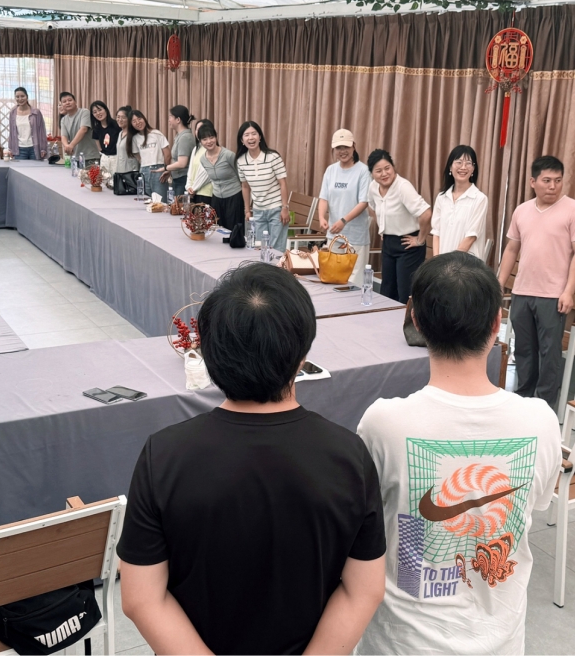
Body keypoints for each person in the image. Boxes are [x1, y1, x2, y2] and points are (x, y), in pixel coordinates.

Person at [118, 263, 386, 655]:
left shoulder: (164, 454)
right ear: (302, 353)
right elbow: (364, 590)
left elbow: (142, 598)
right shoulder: (348, 456)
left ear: (209, 354)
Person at [356, 252, 561, 655]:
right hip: (500, 642)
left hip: (401, 644)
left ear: (416, 321)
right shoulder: (541, 421)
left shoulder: (383, 422)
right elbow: (534, 504)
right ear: (497, 323)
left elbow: (368, 522)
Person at [495, 155, 575, 407]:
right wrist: (499, 282)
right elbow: (511, 249)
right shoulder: (522, 211)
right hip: (522, 291)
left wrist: (568, 291)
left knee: (549, 353)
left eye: (558, 180)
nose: (552, 186)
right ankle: (524, 398)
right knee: (523, 349)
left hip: (553, 295)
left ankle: (545, 406)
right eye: (546, 181)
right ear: (533, 182)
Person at [367, 150, 431, 304]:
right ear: (372, 174)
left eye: (387, 168)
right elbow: (371, 207)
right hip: (388, 242)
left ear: (393, 167)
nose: (384, 174)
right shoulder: (373, 187)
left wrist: (420, 240)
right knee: (387, 292)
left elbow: (426, 214)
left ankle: (407, 320)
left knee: (405, 295)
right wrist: (382, 227)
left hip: (408, 245)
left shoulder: (403, 187)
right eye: (378, 171)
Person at [317, 129, 371, 282]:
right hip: (334, 235)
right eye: (338, 148)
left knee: (354, 281)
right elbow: (323, 198)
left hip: (356, 236)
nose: (343, 151)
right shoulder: (331, 170)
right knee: (333, 277)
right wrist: (321, 217)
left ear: (354, 146)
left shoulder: (363, 171)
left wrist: (344, 220)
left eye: (346, 147)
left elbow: (364, 202)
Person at [236, 120, 289, 252]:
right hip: (258, 211)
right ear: (242, 140)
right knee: (260, 248)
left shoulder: (273, 157)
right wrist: (247, 210)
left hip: (276, 209)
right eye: (246, 135)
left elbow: (283, 183)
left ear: (260, 137)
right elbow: (245, 187)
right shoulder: (241, 161)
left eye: (254, 133)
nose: (251, 138)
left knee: (277, 249)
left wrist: (285, 208)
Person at [431, 145, 489, 260]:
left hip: (467, 265)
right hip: (442, 265)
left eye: (468, 163)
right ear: (450, 167)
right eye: (459, 162)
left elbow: (471, 237)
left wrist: (451, 264)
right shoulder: (441, 198)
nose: (463, 167)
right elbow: (436, 233)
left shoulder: (480, 199)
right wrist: (437, 263)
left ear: (473, 169)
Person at [192, 122, 242, 234]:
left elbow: (241, 177)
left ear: (216, 137)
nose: (209, 141)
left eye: (211, 137)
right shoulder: (203, 159)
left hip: (234, 197)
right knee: (217, 230)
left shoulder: (228, 155)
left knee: (234, 232)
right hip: (216, 198)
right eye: (204, 139)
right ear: (200, 141)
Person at [131, 110, 170, 198]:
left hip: (158, 170)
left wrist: (166, 169)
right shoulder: (135, 138)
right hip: (143, 172)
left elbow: (167, 154)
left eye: (139, 119)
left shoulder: (156, 133)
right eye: (134, 121)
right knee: (145, 200)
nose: (138, 122)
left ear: (144, 119)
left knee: (160, 200)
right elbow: (138, 157)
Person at [162, 105, 196, 198]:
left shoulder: (185, 137)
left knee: (181, 206)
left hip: (183, 179)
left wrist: (166, 168)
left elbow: (182, 163)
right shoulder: (180, 136)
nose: (169, 120)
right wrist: (170, 171)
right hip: (178, 178)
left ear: (178, 120)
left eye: (170, 117)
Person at [57, 91, 99, 164]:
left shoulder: (84, 112)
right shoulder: (63, 120)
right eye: (64, 102)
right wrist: (67, 146)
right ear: (62, 105)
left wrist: (71, 146)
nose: (67, 103)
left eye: (70, 100)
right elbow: (64, 136)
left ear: (75, 102)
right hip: (75, 157)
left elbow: (84, 129)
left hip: (89, 157)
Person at [7, 87, 47, 161]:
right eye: (17, 97)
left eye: (22, 96)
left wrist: (43, 148)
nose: (20, 99)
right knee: (20, 168)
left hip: (34, 148)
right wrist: (10, 148)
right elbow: (11, 132)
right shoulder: (12, 113)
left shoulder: (36, 112)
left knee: (35, 168)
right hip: (19, 149)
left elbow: (42, 131)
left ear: (27, 97)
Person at [183, 118, 215, 206]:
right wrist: (188, 186)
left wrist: (194, 188)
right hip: (193, 192)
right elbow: (190, 170)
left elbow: (206, 173)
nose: (198, 132)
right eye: (197, 129)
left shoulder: (211, 149)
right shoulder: (196, 149)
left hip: (206, 193)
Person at [112, 106, 139, 188]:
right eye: (118, 117)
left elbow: (138, 157)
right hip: (119, 172)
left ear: (129, 119)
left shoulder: (134, 136)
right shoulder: (120, 133)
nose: (120, 120)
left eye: (123, 117)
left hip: (130, 174)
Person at [89, 100, 118, 169]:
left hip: (117, 158)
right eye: (95, 112)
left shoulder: (116, 125)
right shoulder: (96, 128)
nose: (98, 113)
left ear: (106, 110)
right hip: (104, 159)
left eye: (100, 110)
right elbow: (98, 145)